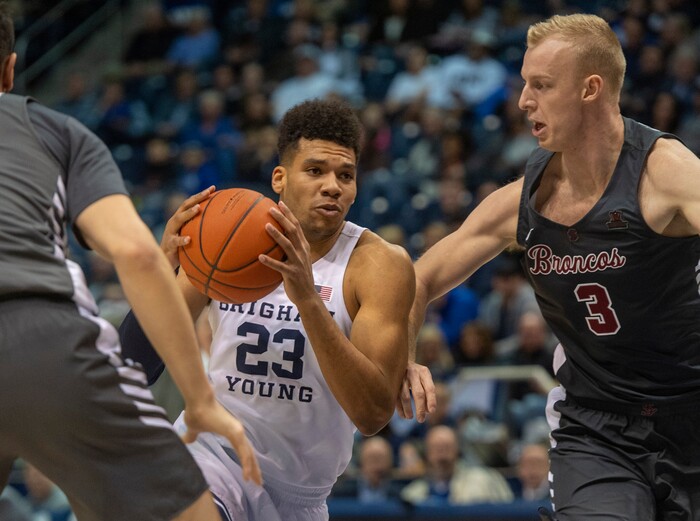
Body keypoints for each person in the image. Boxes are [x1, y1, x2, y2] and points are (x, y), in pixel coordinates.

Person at [399, 12, 700, 520]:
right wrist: (401, 356)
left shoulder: (666, 173)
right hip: (596, 428)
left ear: (591, 89)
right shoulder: (524, 200)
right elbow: (417, 279)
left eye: (541, 85)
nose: (522, 101)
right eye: (523, 84)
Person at [0, 4, 261, 521]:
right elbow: (134, 253)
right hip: (36, 337)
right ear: (9, 69)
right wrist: (198, 396)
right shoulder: (54, 132)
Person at [119, 98, 415, 521]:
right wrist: (162, 274)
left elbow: (371, 414)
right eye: (315, 171)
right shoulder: (227, 238)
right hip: (211, 455)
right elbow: (134, 365)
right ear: (280, 177)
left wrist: (309, 302)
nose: (332, 185)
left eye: (345, 175)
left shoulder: (378, 265)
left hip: (301, 495)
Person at [399, 425, 513, 506]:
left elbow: (509, 511)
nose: (442, 456)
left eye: (447, 448)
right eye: (437, 449)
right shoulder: (412, 495)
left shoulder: (485, 480)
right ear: (427, 453)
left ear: (457, 451)